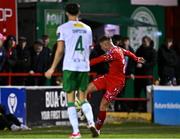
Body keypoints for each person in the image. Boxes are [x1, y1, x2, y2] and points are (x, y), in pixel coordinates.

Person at [45, 3, 98, 138]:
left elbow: (60, 50)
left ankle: (76, 132)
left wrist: (52, 68)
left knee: (70, 100)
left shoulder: (63, 28)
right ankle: (92, 123)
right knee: (83, 98)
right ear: (79, 12)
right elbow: (90, 48)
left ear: (66, 13)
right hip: (84, 67)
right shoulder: (88, 29)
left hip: (70, 67)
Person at [85, 36, 144, 133]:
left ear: (106, 44)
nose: (102, 48)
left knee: (103, 105)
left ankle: (97, 128)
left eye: (102, 46)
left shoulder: (114, 53)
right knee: (86, 89)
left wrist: (85, 64)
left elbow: (100, 59)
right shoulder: (119, 49)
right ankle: (82, 109)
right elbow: (128, 53)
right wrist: (136, 58)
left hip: (117, 83)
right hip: (108, 77)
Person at [134, 36, 157, 111]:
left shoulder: (153, 51)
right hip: (139, 75)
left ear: (149, 42)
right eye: (143, 41)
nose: (144, 42)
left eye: (145, 41)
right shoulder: (139, 50)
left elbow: (153, 63)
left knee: (148, 93)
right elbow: (135, 58)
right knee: (137, 92)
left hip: (147, 76)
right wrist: (137, 63)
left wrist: (143, 64)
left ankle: (149, 109)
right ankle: (136, 108)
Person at [114, 37, 136, 112]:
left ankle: (120, 107)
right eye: (124, 41)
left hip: (126, 74)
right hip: (119, 74)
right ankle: (120, 107)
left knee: (121, 91)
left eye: (127, 41)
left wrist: (131, 73)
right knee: (118, 90)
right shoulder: (120, 50)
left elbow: (132, 63)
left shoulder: (131, 51)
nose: (125, 43)